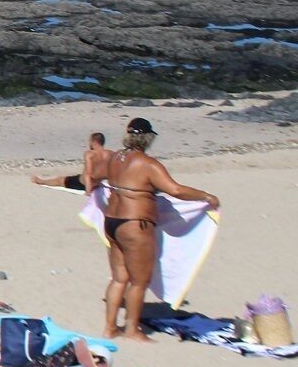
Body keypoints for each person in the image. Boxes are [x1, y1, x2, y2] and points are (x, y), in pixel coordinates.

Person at [100, 118, 220, 341]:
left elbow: (96, 178)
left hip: (112, 222)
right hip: (135, 224)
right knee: (139, 281)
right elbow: (175, 190)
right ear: (148, 138)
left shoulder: (115, 158)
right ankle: (132, 330)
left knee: (118, 279)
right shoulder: (148, 164)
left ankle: (109, 328)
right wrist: (206, 196)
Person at [32, 132, 109, 191]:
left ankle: (41, 181)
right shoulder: (110, 154)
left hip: (84, 183)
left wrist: (88, 190)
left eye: (90, 141)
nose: (89, 144)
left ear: (94, 142)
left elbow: (88, 173)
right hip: (100, 183)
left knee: (60, 180)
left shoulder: (90, 154)